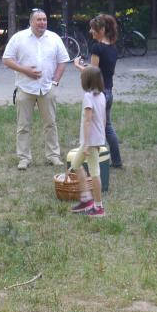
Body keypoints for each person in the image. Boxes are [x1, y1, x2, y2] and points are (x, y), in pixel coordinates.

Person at [2, 8, 71, 170]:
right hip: (25, 88)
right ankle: (24, 158)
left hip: (47, 88)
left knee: (50, 124)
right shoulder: (19, 38)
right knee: (23, 125)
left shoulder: (54, 38)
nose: (42, 23)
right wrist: (25, 70)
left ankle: (53, 156)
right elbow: (6, 59)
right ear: (31, 22)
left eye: (44, 19)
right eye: (38, 20)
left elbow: (63, 61)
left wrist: (55, 82)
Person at [73, 13, 122, 168]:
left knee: (92, 125)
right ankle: (116, 160)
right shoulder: (113, 47)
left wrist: (78, 66)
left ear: (101, 29)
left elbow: (93, 74)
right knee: (107, 127)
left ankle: (89, 154)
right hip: (109, 92)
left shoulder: (97, 48)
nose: (90, 32)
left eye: (93, 29)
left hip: (97, 93)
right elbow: (100, 70)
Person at [67, 66, 108, 217]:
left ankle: (98, 207)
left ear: (87, 81)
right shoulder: (101, 95)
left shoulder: (88, 97)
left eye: (82, 77)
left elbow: (88, 121)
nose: (80, 79)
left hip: (90, 142)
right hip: (96, 140)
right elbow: (103, 119)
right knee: (76, 165)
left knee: (95, 172)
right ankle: (86, 200)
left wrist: (86, 144)